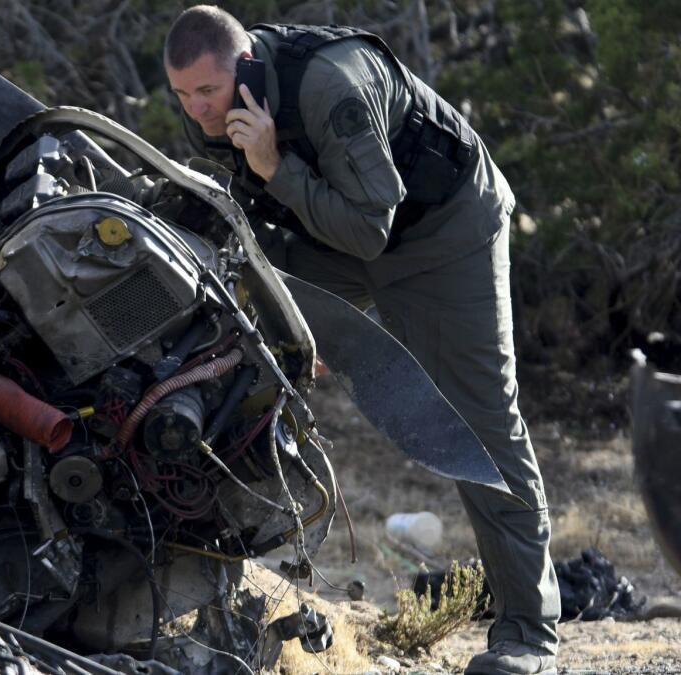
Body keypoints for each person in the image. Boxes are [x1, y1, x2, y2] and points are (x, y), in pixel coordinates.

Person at [163, 6, 560, 674]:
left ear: (246, 61)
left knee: (484, 417)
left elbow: (369, 230)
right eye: (182, 95)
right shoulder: (212, 104)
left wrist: (272, 164)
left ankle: (528, 635)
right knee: (214, 328)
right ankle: (205, 591)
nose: (198, 109)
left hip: (444, 234)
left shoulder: (330, 85)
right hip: (336, 231)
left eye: (209, 91)